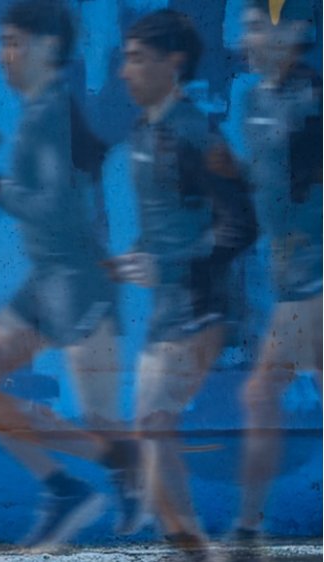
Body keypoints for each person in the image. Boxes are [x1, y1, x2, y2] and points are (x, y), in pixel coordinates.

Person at [0, 0, 141, 551]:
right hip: (47, 281)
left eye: (13, 42)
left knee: (100, 415)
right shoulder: (41, 112)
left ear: (48, 49)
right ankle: (68, 486)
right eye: (1, 42)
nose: (2, 55)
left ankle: (115, 461)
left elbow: (54, 208)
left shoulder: (51, 114)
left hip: (78, 283)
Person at [114, 9, 258, 560]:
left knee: (152, 425)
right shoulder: (144, 128)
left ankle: (191, 548)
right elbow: (168, 224)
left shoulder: (198, 132)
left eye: (137, 60)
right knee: (151, 430)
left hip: (201, 308)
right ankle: (188, 546)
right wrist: (140, 257)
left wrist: (172, 264)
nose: (126, 72)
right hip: (166, 311)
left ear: (173, 64)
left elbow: (240, 224)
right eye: (124, 59)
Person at [232, 0, 322, 548]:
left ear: (292, 34)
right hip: (293, 280)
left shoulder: (312, 102)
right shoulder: (257, 98)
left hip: (315, 278)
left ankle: (247, 530)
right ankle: (247, 529)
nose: (244, 38)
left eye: (253, 28)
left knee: (263, 394)